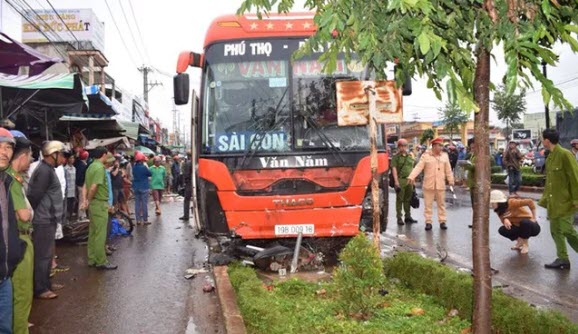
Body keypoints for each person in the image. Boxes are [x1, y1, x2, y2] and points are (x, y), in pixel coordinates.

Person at [27, 141, 66, 299]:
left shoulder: (48, 170)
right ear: (53, 154)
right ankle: (40, 288)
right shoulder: (44, 171)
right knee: (42, 256)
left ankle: (45, 283)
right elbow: (34, 196)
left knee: (47, 255)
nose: (63, 159)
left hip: (48, 218)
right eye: (62, 155)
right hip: (43, 220)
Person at [538, 129, 578, 270]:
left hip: (566, 202)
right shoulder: (550, 157)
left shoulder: (565, 154)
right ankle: (563, 259)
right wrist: (544, 200)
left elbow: (575, 178)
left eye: (542, 139)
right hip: (553, 202)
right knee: (555, 231)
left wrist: (576, 199)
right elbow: (550, 182)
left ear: (547, 140)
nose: (542, 141)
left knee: (567, 230)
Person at [7, 134, 35, 334]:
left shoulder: (12, 177)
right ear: (22, 156)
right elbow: (24, 215)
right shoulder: (12, 179)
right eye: (30, 156)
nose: (32, 160)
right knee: (22, 293)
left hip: (14, 237)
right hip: (20, 238)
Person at [0, 129, 25, 333]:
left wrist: (17, 249)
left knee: (6, 328)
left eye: (8, 147)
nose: (4, 152)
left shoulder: (6, 182)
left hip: (4, 275)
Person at [408, 137, 454, 231]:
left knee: (441, 204)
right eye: (439, 145)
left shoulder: (445, 156)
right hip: (429, 184)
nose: (441, 147)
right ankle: (428, 222)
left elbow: (448, 170)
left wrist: (451, 180)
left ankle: (442, 221)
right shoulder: (426, 156)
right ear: (433, 146)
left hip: (440, 184)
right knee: (428, 205)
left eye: (441, 145)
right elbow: (418, 167)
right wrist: (411, 176)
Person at [82, 147, 117, 270]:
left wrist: (86, 200)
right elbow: (93, 187)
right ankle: (101, 261)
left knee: (93, 233)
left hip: (94, 204)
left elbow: (85, 185)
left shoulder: (90, 166)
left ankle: (92, 259)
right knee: (100, 234)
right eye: (107, 154)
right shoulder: (99, 168)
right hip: (99, 203)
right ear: (103, 155)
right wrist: (89, 199)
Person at [490, 190, 540, 254]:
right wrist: (505, 220)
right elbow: (505, 223)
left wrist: (534, 217)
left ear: (500, 202)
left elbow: (530, 202)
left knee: (524, 222)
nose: (492, 205)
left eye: (493, 203)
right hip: (519, 227)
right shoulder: (498, 210)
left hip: (532, 226)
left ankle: (525, 245)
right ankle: (520, 242)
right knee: (502, 230)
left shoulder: (511, 202)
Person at [391, 139, 417, 226]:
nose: (403, 148)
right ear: (398, 147)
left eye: (404, 146)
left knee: (408, 199)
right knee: (399, 200)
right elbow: (394, 169)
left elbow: (412, 168)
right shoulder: (396, 157)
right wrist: (396, 181)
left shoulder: (410, 156)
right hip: (400, 180)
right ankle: (399, 217)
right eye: (401, 146)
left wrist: (414, 180)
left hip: (409, 180)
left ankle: (408, 216)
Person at [132, 151, 152, 225]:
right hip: (144, 187)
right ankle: (145, 220)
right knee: (144, 204)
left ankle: (138, 220)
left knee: (137, 204)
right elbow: (150, 173)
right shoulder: (144, 167)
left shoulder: (134, 167)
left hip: (136, 187)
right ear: (141, 160)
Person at [74, 149, 89, 220]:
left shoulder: (79, 164)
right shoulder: (82, 165)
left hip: (81, 185)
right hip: (81, 185)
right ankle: (81, 216)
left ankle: (83, 214)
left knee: (82, 200)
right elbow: (80, 176)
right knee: (82, 200)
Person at [180, 153, 193, 221]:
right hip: (197, 183)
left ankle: (186, 216)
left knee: (187, 199)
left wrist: (185, 182)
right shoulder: (196, 162)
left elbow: (186, 174)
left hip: (189, 184)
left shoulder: (187, 163)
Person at [64, 153, 76, 222]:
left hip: (73, 190)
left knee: (72, 206)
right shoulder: (65, 169)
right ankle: (66, 219)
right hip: (67, 190)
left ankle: (70, 219)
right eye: (70, 158)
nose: (72, 160)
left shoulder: (74, 168)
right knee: (67, 206)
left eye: (73, 158)